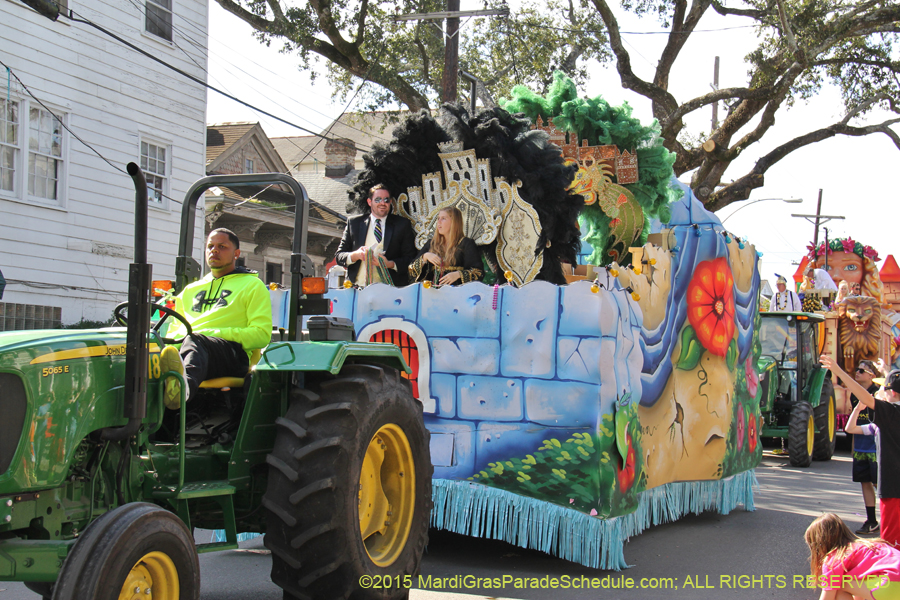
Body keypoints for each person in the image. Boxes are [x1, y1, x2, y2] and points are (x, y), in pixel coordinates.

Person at [160, 228, 273, 409]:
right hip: (189, 348)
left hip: (231, 354)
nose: (214, 250)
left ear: (236, 254)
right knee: (146, 349)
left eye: (222, 246)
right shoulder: (190, 290)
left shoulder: (252, 285)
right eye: (210, 246)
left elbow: (261, 335)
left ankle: (183, 389)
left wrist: (210, 333)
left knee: (195, 340)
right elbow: (175, 330)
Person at [821, 354, 900, 548]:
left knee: (892, 547)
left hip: (894, 487)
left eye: (884, 387)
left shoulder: (891, 413)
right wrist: (886, 372)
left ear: (893, 393)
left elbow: (864, 394)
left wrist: (839, 372)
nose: (881, 390)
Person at [334, 184, 417, 287]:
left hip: (391, 290)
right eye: (378, 199)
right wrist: (356, 255)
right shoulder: (354, 223)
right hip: (357, 289)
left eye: (386, 200)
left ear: (390, 202)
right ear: (369, 202)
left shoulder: (402, 225)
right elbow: (339, 256)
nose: (382, 203)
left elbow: (410, 258)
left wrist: (389, 264)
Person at [805, 512, 900, 599]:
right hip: (893, 581)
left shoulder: (834, 558)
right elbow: (860, 592)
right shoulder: (869, 546)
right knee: (852, 583)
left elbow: (827, 597)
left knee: (838, 587)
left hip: (891, 584)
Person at [846, 360, 883, 534]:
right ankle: (871, 520)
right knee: (865, 481)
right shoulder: (855, 395)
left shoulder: (879, 393)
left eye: (861, 370)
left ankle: (889, 518)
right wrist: (854, 447)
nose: (857, 373)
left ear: (872, 376)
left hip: (876, 446)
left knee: (880, 483)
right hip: (861, 445)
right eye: (856, 369)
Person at [408, 206, 482, 286]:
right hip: (434, 294)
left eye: (443, 218)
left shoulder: (465, 243)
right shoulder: (431, 244)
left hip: (458, 293)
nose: (439, 222)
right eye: (438, 218)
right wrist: (425, 257)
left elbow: (478, 272)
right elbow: (411, 271)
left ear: (454, 222)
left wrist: (458, 275)